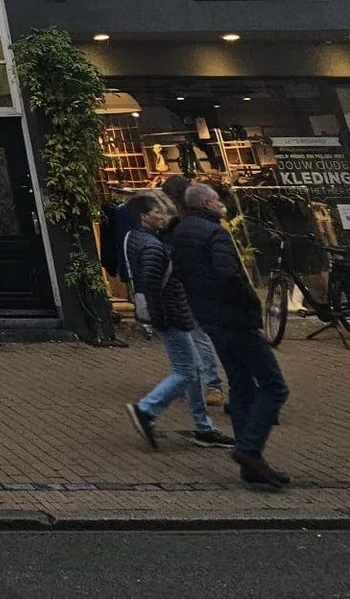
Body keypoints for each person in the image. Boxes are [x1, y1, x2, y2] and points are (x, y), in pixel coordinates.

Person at [170, 182, 291, 492]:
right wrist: (249, 304)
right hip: (235, 318)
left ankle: (251, 463)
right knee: (274, 385)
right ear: (208, 203)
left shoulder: (181, 232)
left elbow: (180, 274)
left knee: (239, 383)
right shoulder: (215, 233)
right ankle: (249, 449)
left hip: (210, 320)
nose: (222, 204)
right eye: (217, 200)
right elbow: (228, 274)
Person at [122, 193, 232, 451]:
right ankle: (146, 409)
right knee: (186, 370)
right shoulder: (151, 246)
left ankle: (203, 427)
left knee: (191, 371)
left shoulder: (135, 238)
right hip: (172, 314)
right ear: (144, 217)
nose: (162, 216)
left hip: (172, 312)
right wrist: (160, 318)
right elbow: (152, 285)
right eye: (157, 212)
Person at [160, 174, 226, 401]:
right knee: (204, 333)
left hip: (191, 284)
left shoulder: (181, 224)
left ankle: (210, 383)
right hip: (203, 283)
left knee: (198, 334)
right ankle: (209, 382)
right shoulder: (206, 221)